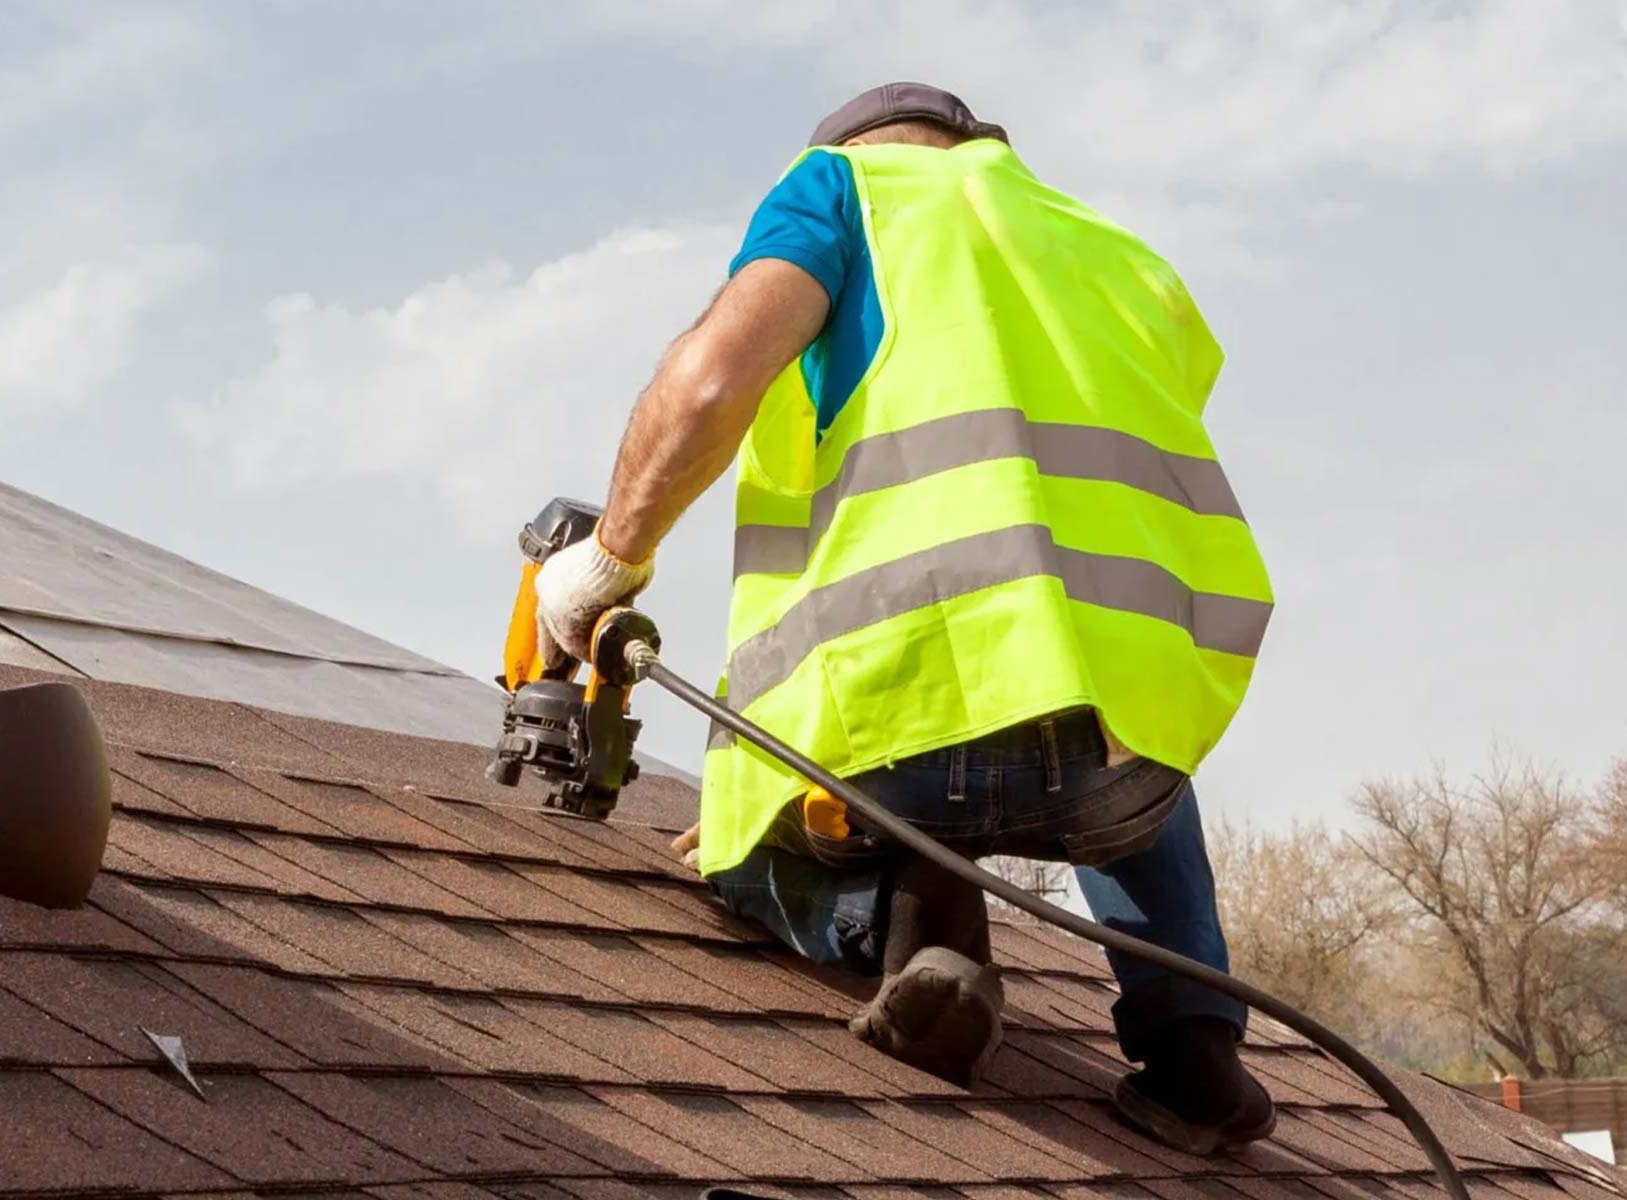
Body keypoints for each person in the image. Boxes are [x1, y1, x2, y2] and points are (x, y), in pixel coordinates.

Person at [532, 83, 1277, 1155]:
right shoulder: (1107, 247)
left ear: (861, 150)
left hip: (906, 736)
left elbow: (705, 389)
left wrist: (607, 563)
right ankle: (1196, 1049)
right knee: (1125, 746)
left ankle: (923, 934)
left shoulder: (843, 193)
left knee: (743, 846)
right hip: (1129, 744)